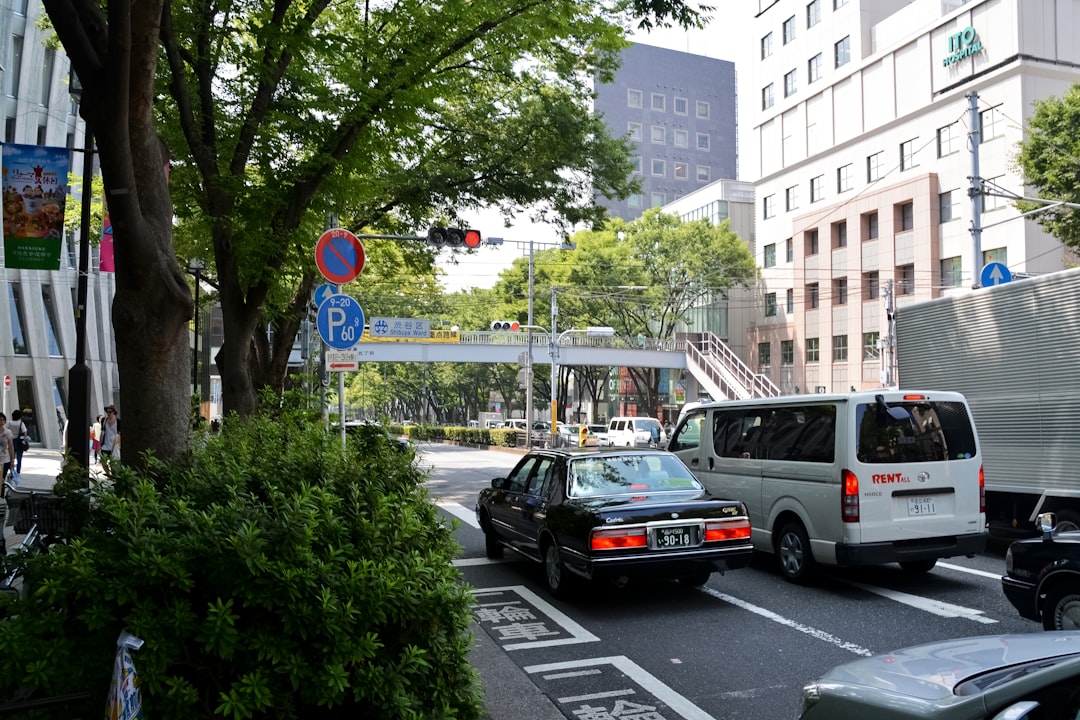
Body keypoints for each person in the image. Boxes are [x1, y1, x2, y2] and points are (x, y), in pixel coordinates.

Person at [9, 408, 29, 475]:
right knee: (19, 457)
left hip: (11, 440)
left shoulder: (9, 423)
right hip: (19, 441)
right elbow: (25, 432)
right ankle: (18, 471)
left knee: (12, 456)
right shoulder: (21, 423)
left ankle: (11, 470)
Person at [0, 413, 14, 487]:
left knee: (2, 479)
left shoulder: (7, 432)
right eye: (0, 420)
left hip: (5, 459)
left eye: (3, 420)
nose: (1, 422)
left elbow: (11, 446)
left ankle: (1, 496)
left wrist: (12, 459)